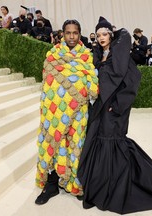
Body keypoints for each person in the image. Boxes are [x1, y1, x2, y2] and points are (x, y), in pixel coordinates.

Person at [77, 16, 152, 215]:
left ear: (111, 36)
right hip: (98, 109)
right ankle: (99, 186)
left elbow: (132, 83)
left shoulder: (120, 58)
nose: (102, 38)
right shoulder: (95, 57)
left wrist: (117, 106)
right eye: (99, 35)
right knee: (98, 141)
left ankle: (117, 187)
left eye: (105, 34)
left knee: (114, 143)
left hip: (114, 110)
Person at [35, 19, 99, 205]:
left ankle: (75, 182)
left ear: (80, 34)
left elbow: (92, 83)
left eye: (75, 33)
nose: (71, 36)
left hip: (79, 111)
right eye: (68, 32)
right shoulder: (53, 55)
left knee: (76, 144)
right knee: (54, 142)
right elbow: (47, 82)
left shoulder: (86, 56)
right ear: (62, 33)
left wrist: (84, 93)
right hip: (55, 110)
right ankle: (52, 183)